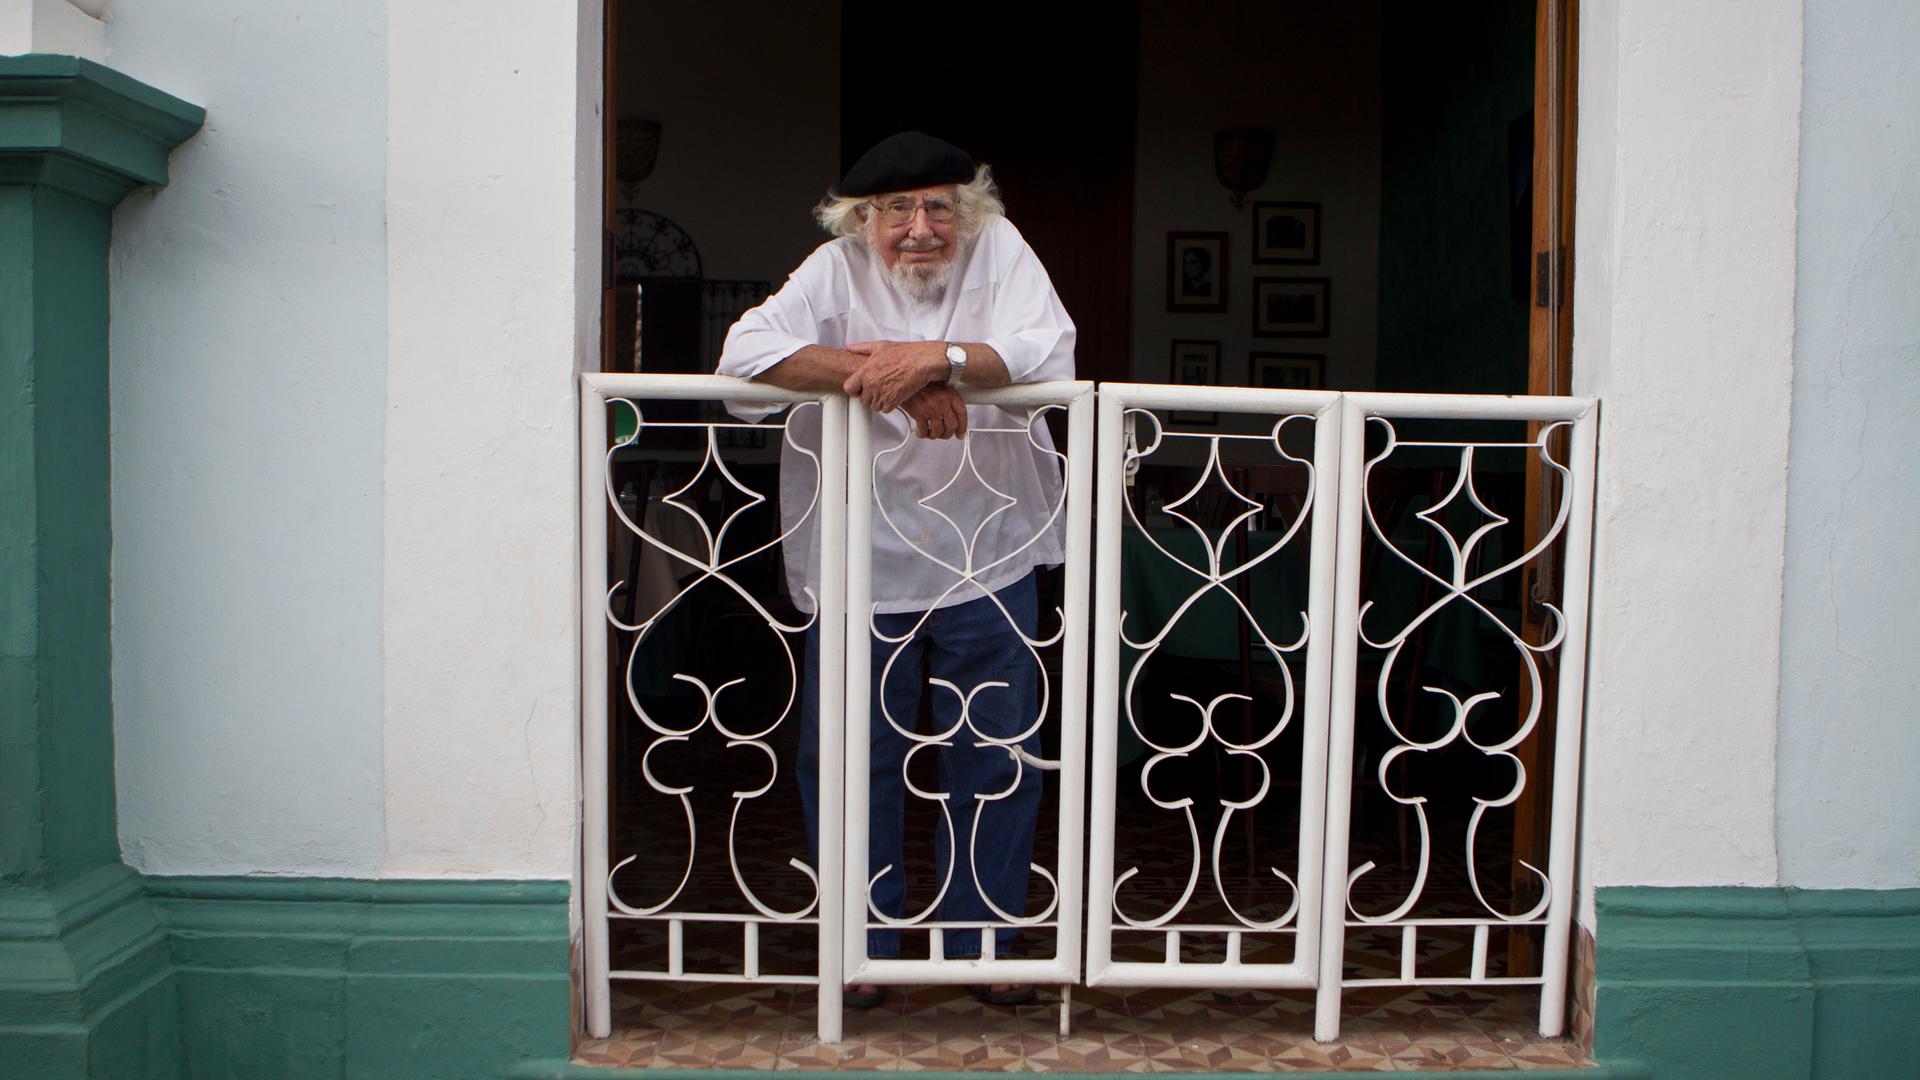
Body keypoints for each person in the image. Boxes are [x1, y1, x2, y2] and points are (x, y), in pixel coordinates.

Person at [716, 131, 1075, 1008]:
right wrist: (898, 376)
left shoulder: (1004, 250)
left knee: (994, 751)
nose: (921, 228)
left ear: (969, 212)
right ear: (862, 220)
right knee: (847, 753)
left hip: (988, 547)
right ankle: (861, 948)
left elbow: (1051, 352)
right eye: (897, 212)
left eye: (939, 207)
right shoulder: (833, 268)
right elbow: (742, 359)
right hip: (858, 550)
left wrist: (947, 360)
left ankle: (982, 946)